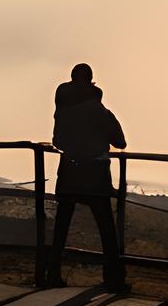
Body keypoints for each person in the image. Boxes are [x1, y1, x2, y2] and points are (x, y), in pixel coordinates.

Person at [44, 62, 127, 291]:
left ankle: (52, 275)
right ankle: (113, 280)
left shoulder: (62, 109)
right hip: (95, 176)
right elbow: (120, 141)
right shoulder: (97, 110)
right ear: (91, 82)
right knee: (107, 232)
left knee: (60, 230)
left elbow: (58, 141)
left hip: (69, 172)